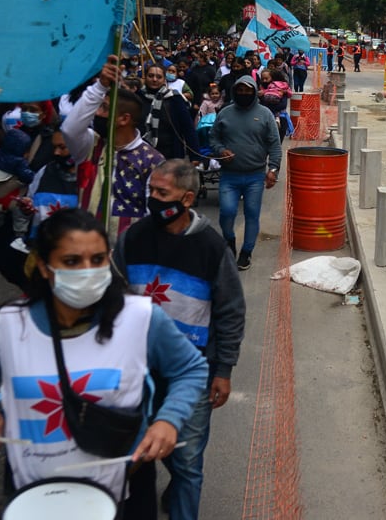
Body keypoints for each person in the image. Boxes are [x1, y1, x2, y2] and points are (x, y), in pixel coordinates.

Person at [0, 208, 208, 516]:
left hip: (123, 486)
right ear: (45, 267)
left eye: (98, 260)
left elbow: (190, 368)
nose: (88, 271)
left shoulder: (142, 318)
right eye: (72, 261)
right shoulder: (9, 324)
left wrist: (169, 420)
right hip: (35, 489)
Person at [114, 160, 245, 520]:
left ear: (187, 199)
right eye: (150, 191)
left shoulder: (212, 247)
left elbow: (230, 311)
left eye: (162, 193)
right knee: (136, 453)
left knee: (187, 463)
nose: (152, 199)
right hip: (136, 372)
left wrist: (223, 369)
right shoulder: (132, 238)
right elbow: (113, 294)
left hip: (192, 374)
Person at [61, 64, 165, 245]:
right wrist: (100, 86)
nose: (97, 113)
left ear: (124, 119)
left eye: (104, 108)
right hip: (85, 248)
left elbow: (153, 214)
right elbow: (70, 129)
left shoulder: (153, 160)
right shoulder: (90, 145)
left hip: (126, 254)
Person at [207, 76, 282, 271]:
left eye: (247, 90)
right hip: (229, 175)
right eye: (239, 90)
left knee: (251, 214)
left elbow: (274, 144)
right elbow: (213, 138)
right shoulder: (225, 113)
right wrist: (221, 150)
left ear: (254, 91)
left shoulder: (265, 114)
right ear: (234, 91)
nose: (243, 94)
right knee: (227, 212)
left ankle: (246, 252)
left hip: (255, 176)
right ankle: (229, 241)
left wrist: (273, 169)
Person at [0, 128, 36, 253]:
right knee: (20, 218)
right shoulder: (19, 162)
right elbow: (28, 177)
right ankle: (19, 238)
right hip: (14, 198)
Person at [139, 65, 201, 163]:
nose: (154, 79)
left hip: (170, 154)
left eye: (159, 77)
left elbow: (188, 128)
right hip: (142, 155)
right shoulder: (138, 97)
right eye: (151, 76)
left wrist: (195, 156)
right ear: (145, 77)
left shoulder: (174, 99)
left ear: (164, 79)